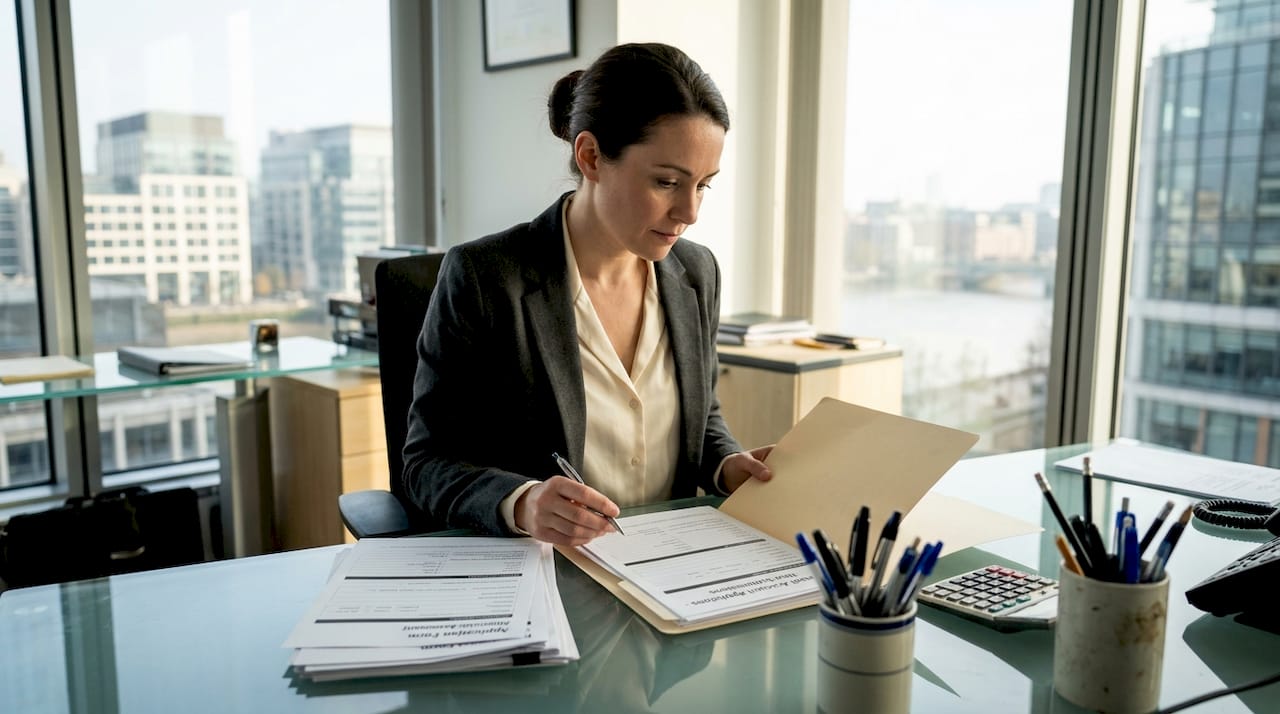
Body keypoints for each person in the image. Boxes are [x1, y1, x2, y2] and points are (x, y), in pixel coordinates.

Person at [401, 42, 772, 546]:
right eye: (667, 182)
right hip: (548, 567)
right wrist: (523, 502)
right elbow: (426, 463)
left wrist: (728, 465)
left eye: (704, 185)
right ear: (591, 156)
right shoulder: (485, 278)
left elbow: (701, 419)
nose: (690, 212)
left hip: (672, 560)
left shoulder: (696, 272)